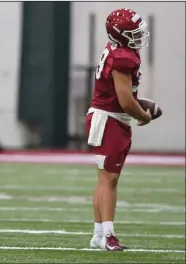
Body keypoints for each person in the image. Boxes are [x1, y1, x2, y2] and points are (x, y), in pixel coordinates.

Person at [85, 8, 151, 251]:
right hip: (109, 119)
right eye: (134, 32)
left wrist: (138, 106)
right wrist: (144, 115)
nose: (139, 36)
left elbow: (123, 96)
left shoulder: (120, 50)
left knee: (105, 178)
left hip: (109, 117)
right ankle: (107, 236)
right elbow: (125, 101)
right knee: (109, 179)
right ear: (120, 34)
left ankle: (98, 234)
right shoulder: (123, 57)